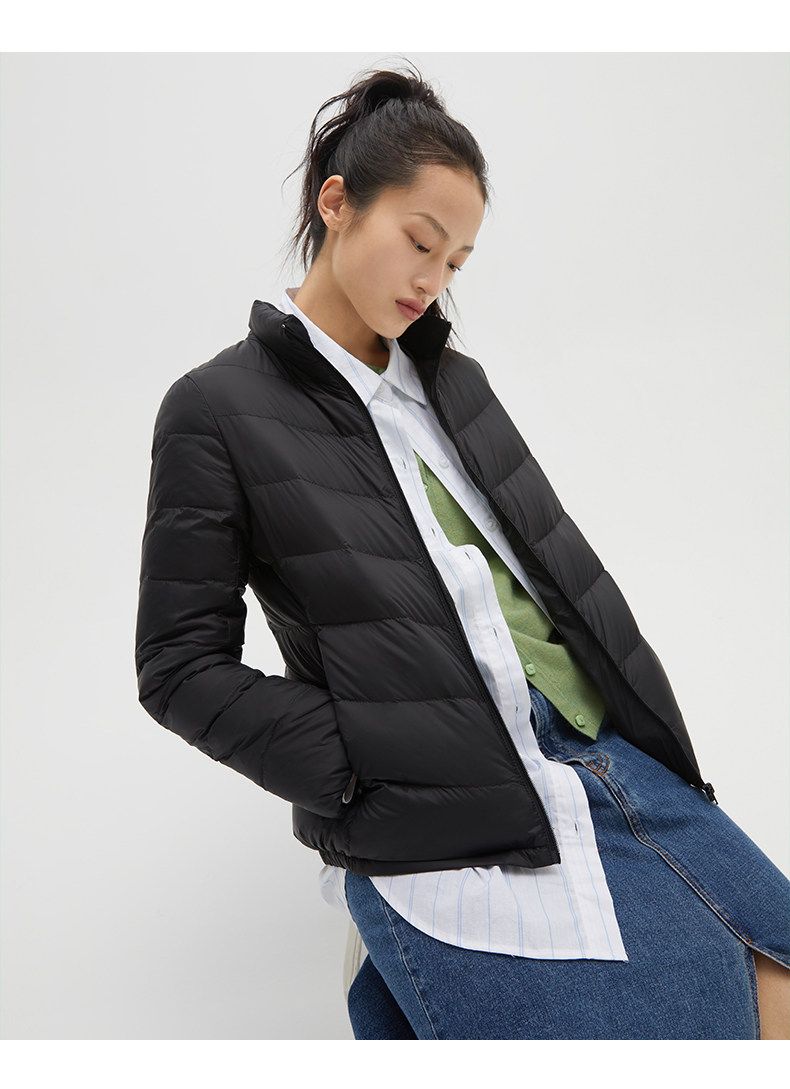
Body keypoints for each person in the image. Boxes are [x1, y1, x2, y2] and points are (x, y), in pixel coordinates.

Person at [134, 61, 790, 1040]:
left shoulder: (456, 382)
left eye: (455, 263)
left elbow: (548, 577)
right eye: (419, 242)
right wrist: (366, 759)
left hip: (604, 757)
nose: (431, 281)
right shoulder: (217, 408)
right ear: (337, 204)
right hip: (449, 819)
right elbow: (178, 666)